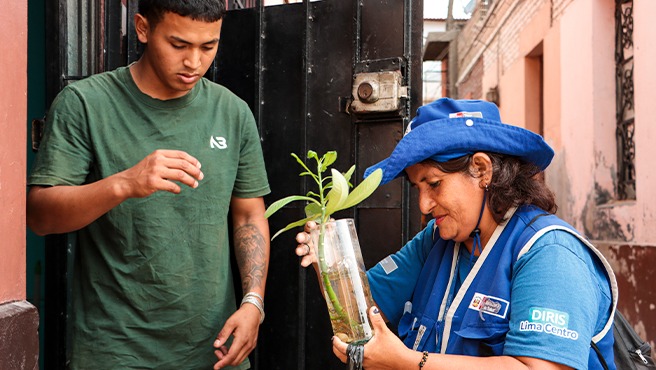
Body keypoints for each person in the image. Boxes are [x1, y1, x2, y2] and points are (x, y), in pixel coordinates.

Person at [26, 1, 270, 369]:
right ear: (143, 28)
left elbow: (249, 216)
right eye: (178, 45)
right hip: (116, 349)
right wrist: (124, 183)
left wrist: (253, 302)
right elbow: (40, 216)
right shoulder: (85, 104)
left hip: (214, 347)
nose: (194, 62)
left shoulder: (233, 113)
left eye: (208, 46)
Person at [295, 98, 618, 369]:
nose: (423, 204)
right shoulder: (436, 241)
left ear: (481, 169)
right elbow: (364, 309)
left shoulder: (549, 252)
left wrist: (407, 361)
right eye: (417, 188)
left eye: (434, 184)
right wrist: (330, 260)